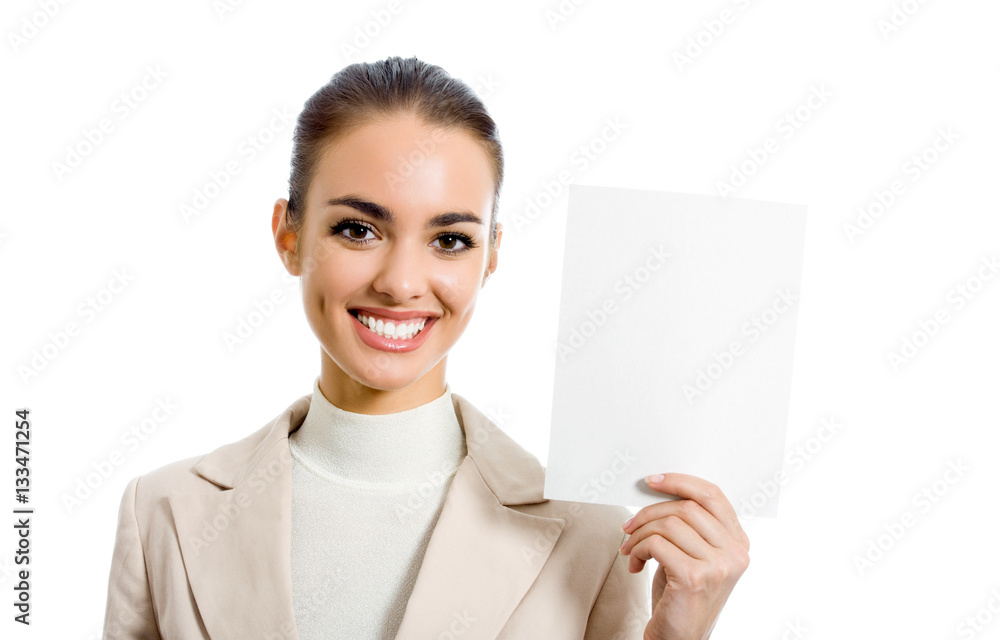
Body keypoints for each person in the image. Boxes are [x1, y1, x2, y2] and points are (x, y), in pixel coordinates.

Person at [102, 56, 750, 640]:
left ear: (491, 255)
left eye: (450, 241)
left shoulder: (594, 538)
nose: (401, 283)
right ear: (289, 235)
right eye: (358, 229)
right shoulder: (165, 514)